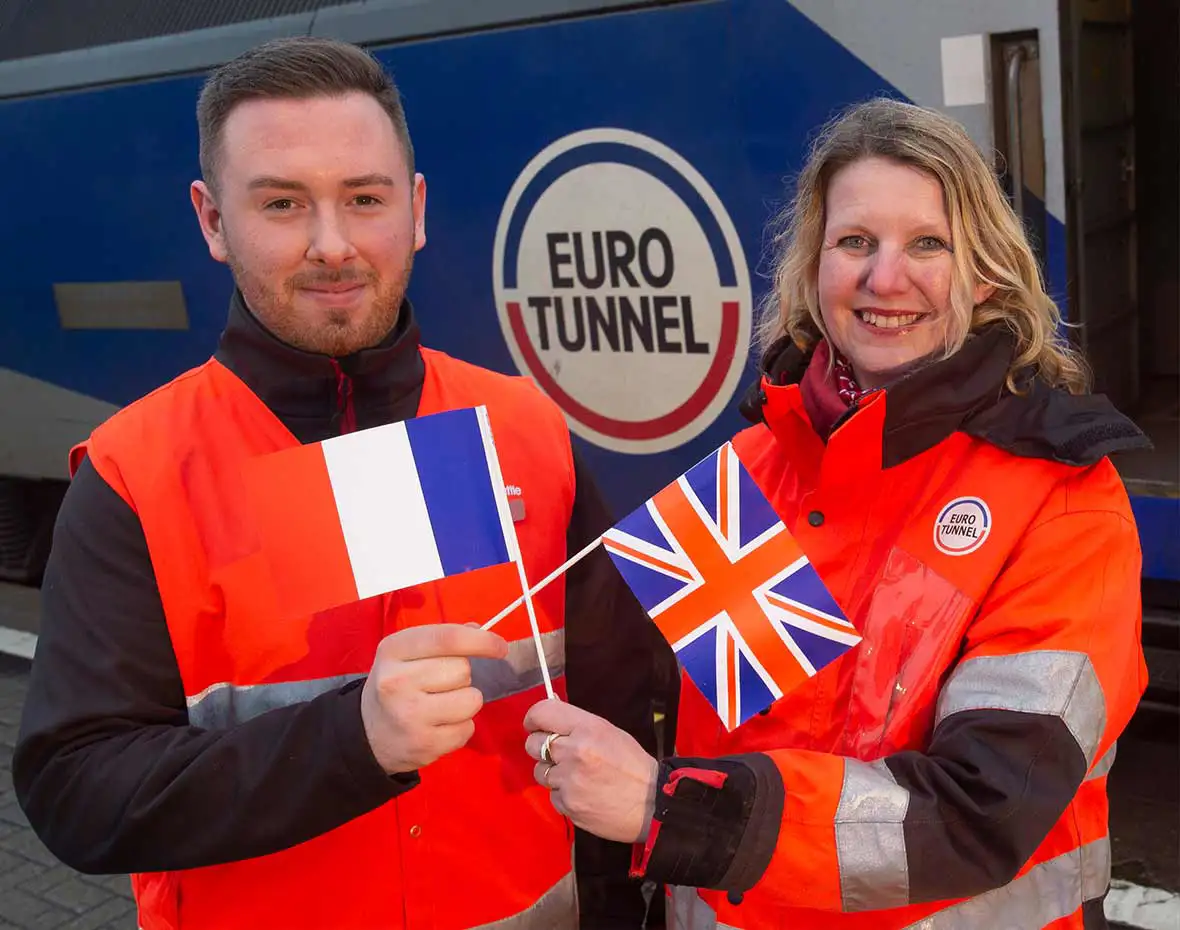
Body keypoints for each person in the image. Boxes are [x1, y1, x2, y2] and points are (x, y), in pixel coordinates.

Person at [13, 37, 673, 930]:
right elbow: (77, 794)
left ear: (418, 209)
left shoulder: (520, 429)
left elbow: (624, 701)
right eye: (283, 204)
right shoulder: (137, 472)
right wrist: (352, 740)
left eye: (365, 199)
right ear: (212, 221)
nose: (333, 245)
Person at [522, 97, 1151, 929]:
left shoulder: (1062, 499)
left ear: (986, 272)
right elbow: (645, 709)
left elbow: (981, 810)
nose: (884, 279)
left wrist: (667, 809)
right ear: (813, 268)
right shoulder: (744, 472)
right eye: (855, 241)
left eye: (928, 243)